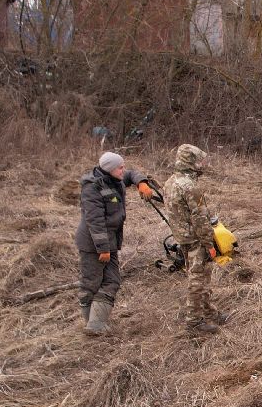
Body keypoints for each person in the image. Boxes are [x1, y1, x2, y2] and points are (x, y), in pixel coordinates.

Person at [75, 150, 156, 336]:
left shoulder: (115, 178)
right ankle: (93, 324)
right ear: (110, 169)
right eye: (120, 167)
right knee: (91, 282)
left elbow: (131, 174)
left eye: (123, 166)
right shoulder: (92, 188)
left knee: (112, 280)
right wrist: (103, 249)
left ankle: (96, 323)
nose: (123, 170)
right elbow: (94, 221)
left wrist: (141, 183)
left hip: (109, 242)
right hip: (92, 244)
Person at [163, 143, 225, 336]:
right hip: (196, 239)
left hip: (183, 237)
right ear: (191, 162)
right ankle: (194, 323)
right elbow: (200, 218)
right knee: (197, 280)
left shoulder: (170, 182)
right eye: (200, 160)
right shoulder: (190, 187)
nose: (203, 164)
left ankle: (209, 313)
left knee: (201, 276)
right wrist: (210, 244)